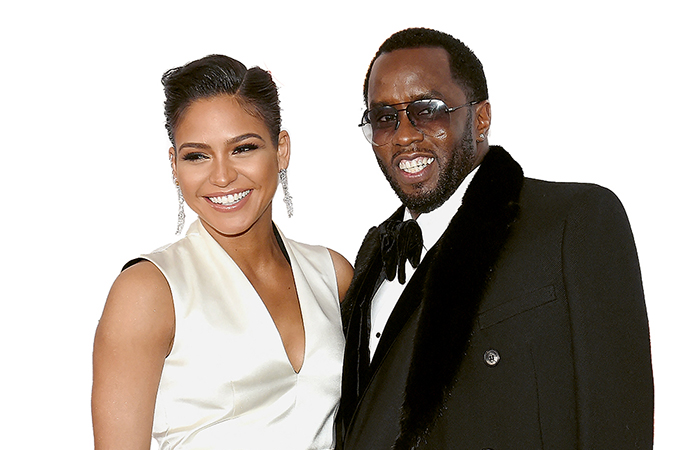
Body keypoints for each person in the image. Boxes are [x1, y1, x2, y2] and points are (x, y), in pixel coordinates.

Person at [337, 28, 653, 449]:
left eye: (428, 111)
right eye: (384, 118)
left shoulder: (572, 221)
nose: (405, 135)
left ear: (481, 118)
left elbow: (617, 420)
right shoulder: (372, 256)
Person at [92, 55, 353, 449]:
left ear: (281, 150)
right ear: (174, 165)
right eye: (197, 155)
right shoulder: (148, 292)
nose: (222, 176)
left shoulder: (332, 274)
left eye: (243, 148)